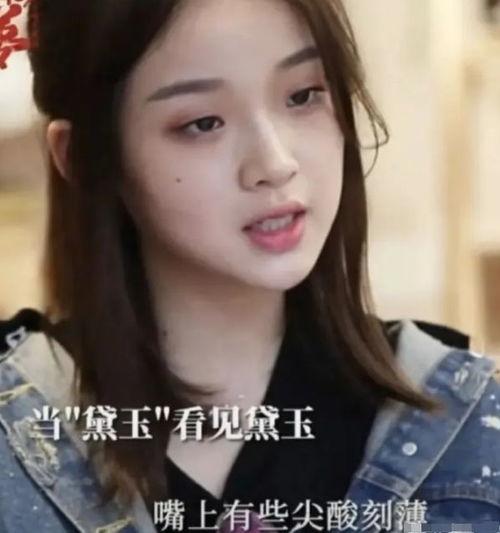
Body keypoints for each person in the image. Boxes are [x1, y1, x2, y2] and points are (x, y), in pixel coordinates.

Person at [0, 0, 499, 531]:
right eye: (203, 123)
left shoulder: (467, 426)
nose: (276, 163)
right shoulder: (20, 429)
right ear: (81, 157)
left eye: (303, 96)